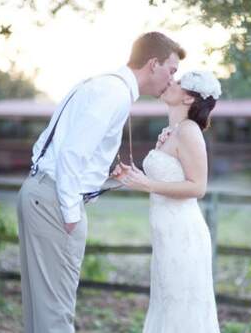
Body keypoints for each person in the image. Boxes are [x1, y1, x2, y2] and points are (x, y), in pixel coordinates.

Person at [16, 31, 186, 333]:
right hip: (55, 202)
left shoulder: (103, 85)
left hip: (42, 192)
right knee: (55, 315)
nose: (172, 80)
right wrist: (69, 214)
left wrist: (103, 174)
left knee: (40, 313)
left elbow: (63, 147)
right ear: (152, 64)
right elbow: (71, 154)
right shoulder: (114, 94)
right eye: (171, 71)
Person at [113, 70, 221, 332]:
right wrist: (133, 176)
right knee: (166, 304)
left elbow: (198, 186)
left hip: (183, 234)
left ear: (188, 99)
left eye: (179, 82)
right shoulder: (171, 132)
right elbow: (170, 176)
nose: (170, 82)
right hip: (165, 233)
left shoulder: (189, 131)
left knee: (180, 308)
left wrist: (146, 184)